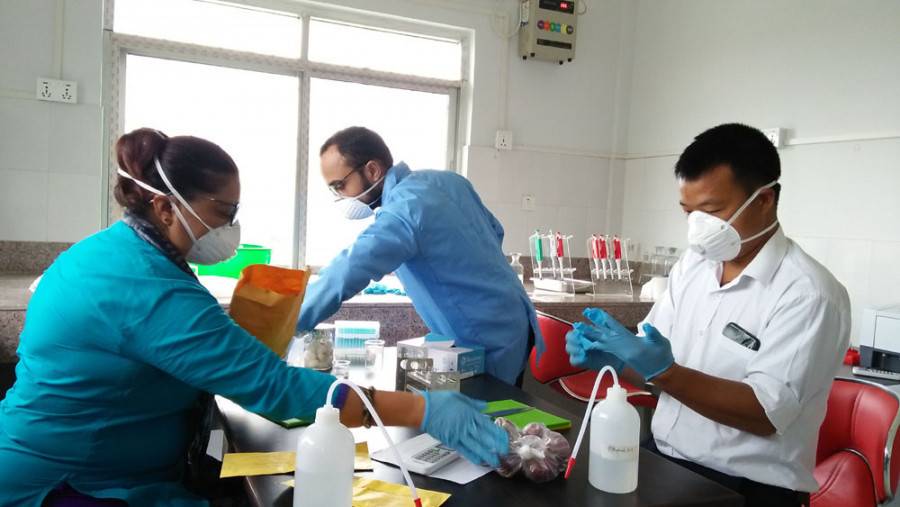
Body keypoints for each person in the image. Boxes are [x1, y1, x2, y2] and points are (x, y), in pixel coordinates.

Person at [0, 128, 508, 507]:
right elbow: (277, 390)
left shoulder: (122, 253)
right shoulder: (141, 285)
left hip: (107, 466)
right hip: (69, 483)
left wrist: (269, 327)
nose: (231, 227)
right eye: (223, 211)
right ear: (165, 207)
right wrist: (425, 411)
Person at [567, 123, 849, 507]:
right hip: (663, 462)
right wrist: (619, 360)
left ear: (764, 200)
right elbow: (656, 363)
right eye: (689, 212)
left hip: (745, 489)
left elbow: (764, 413)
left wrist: (663, 371)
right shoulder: (694, 266)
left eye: (712, 211)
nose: (699, 228)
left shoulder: (809, 294)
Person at [298, 126, 541, 385]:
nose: (339, 197)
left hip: (483, 337)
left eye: (340, 185)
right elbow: (495, 231)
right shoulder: (448, 181)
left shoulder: (405, 208)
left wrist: (285, 324)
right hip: (515, 320)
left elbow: (350, 268)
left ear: (372, 170)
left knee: (487, 417)